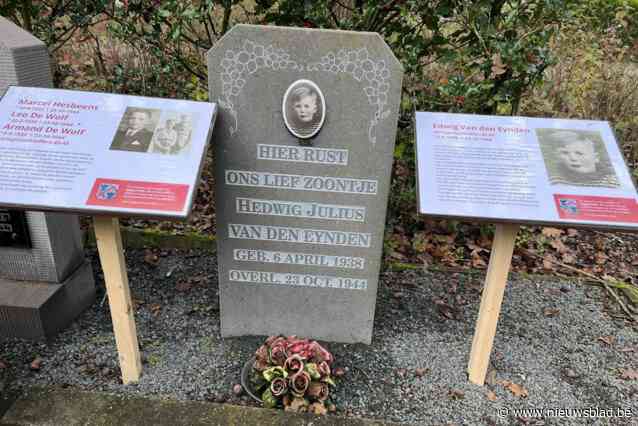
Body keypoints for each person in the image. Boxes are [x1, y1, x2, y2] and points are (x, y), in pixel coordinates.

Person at [548, 130, 619, 188]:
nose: (573, 158)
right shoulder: (555, 181)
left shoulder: (613, 182)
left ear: (596, 157)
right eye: (565, 153)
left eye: (579, 153)